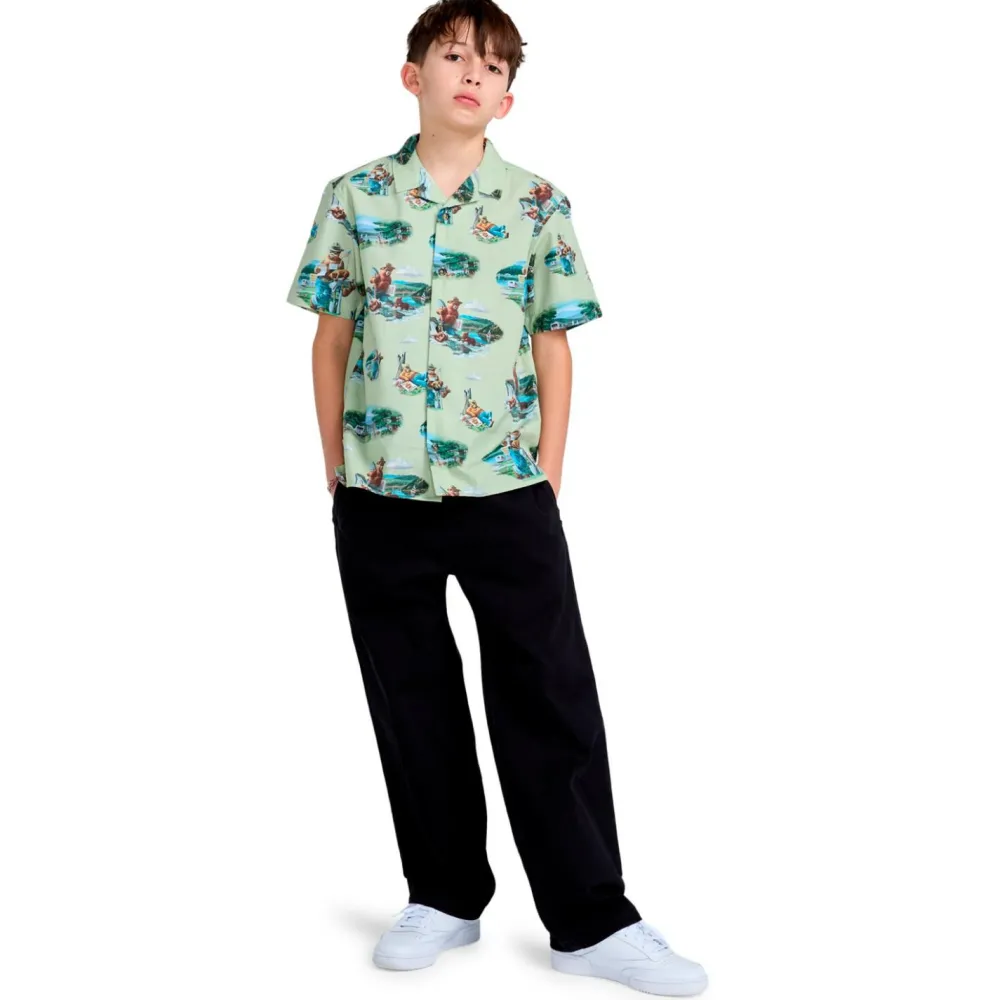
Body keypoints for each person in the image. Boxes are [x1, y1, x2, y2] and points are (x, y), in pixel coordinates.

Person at [283, 2, 709, 995]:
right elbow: (331, 338)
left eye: (492, 65)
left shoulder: (536, 204)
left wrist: (548, 470)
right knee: (409, 692)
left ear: (508, 97)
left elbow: (552, 344)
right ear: (413, 76)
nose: (472, 73)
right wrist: (336, 464)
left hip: (506, 487)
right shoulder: (354, 197)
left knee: (548, 691)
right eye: (453, 55)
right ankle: (443, 896)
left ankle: (591, 918)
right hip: (379, 487)